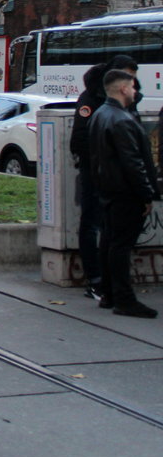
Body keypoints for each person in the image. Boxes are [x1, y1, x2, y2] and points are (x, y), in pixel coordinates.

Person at [89, 68, 160, 318]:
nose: (135, 91)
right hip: (126, 193)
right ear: (122, 89)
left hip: (109, 190)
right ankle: (123, 299)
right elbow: (134, 162)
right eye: (132, 87)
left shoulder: (101, 114)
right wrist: (147, 194)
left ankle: (109, 293)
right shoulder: (122, 119)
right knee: (120, 245)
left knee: (109, 242)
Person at [70, 61, 109, 299]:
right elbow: (80, 140)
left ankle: (101, 277)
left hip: (104, 173)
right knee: (92, 223)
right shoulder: (90, 102)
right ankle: (95, 278)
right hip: (95, 172)